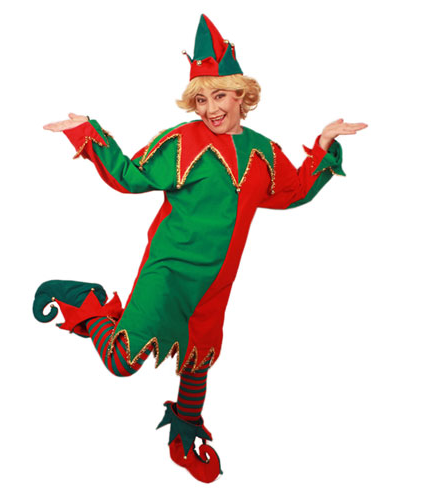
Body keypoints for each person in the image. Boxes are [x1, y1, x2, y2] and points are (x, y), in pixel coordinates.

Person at [33, 14, 367, 483]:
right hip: (169, 272)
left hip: (215, 282)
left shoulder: (264, 153)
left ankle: (184, 436)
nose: (211, 108)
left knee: (199, 360)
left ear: (242, 96)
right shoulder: (182, 142)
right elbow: (130, 177)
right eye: (202, 99)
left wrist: (325, 144)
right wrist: (90, 133)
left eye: (220, 95)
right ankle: (89, 305)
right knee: (123, 360)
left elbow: (293, 192)